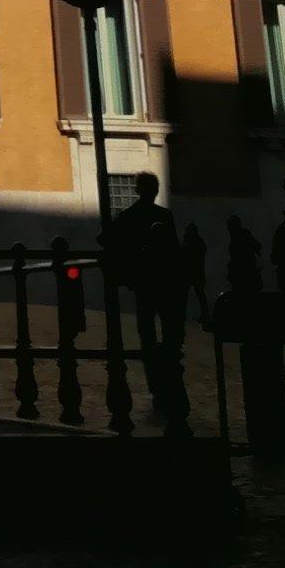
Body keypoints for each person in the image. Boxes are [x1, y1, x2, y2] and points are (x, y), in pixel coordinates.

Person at [103, 175, 187, 426]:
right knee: (167, 337)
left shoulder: (129, 217)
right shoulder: (162, 216)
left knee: (149, 337)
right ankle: (166, 383)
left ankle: (157, 384)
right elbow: (174, 251)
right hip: (161, 284)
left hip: (146, 285)